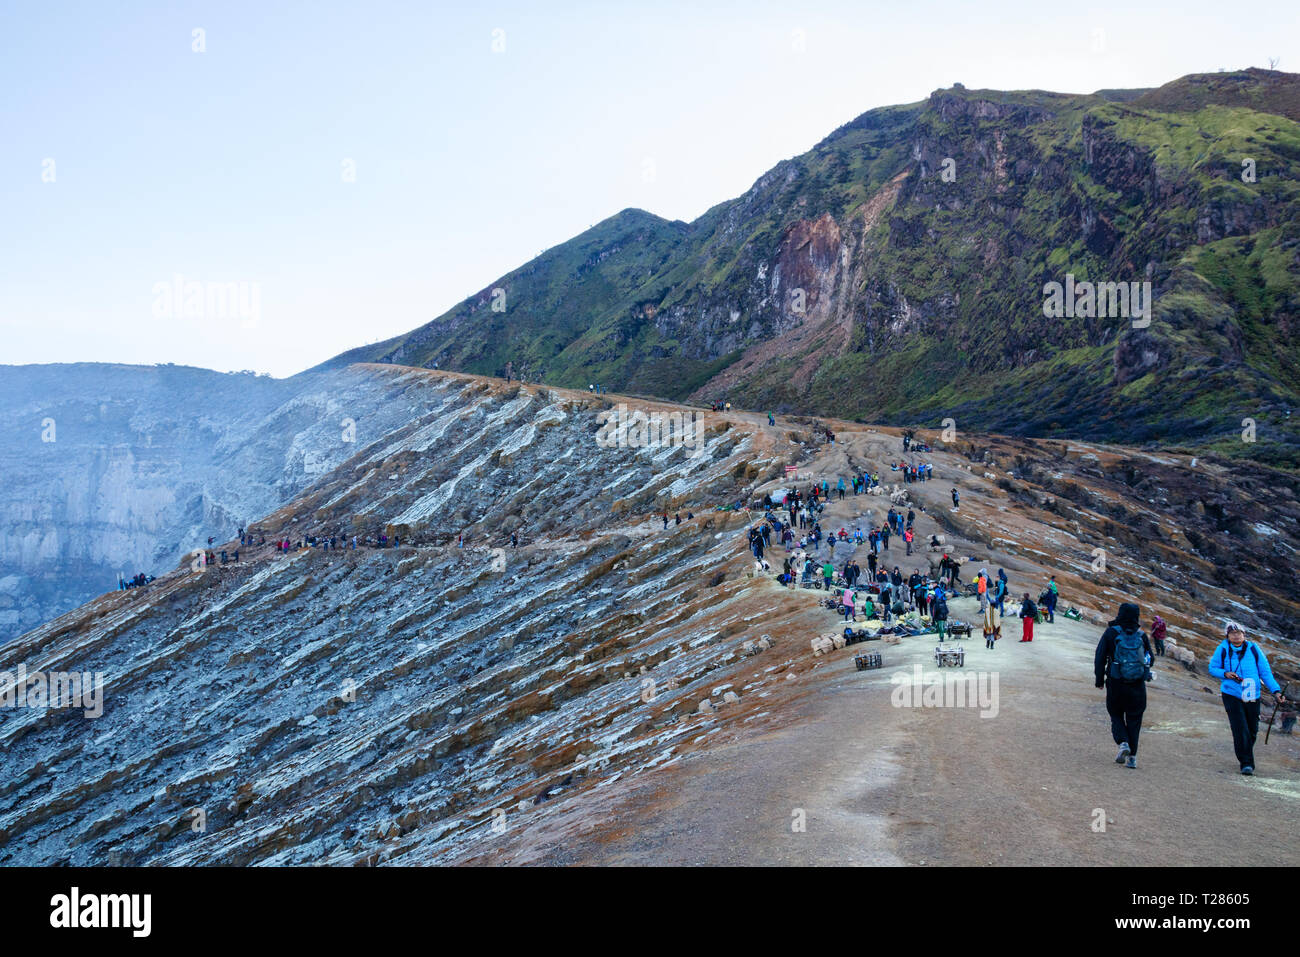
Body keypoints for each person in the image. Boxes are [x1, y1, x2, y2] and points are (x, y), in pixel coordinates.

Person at [1207, 622, 1285, 775]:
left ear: (1244, 634)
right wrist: (1225, 674)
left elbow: (1265, 673)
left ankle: (1245, 751)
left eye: (1239, 633)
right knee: (1240, 728)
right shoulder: (1223, 648)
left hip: (1252, 694)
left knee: (1252, 730)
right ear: (1227, 635)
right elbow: (1213, 668)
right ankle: (1246, 763)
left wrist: (1276, 691)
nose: (1236, 636)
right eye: (1232, 633)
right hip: (1231, 694)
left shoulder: (1254, 649)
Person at [1093, 602, 1153, 769]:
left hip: (1116, 683)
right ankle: (1132, 758)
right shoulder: (1141, 635)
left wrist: (1099, 680)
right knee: (1134, 719)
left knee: (1116, 714)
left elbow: (1100, 658)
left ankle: (1123, 743)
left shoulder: (1111, 633)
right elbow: (1151, 659)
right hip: (1137, 685)